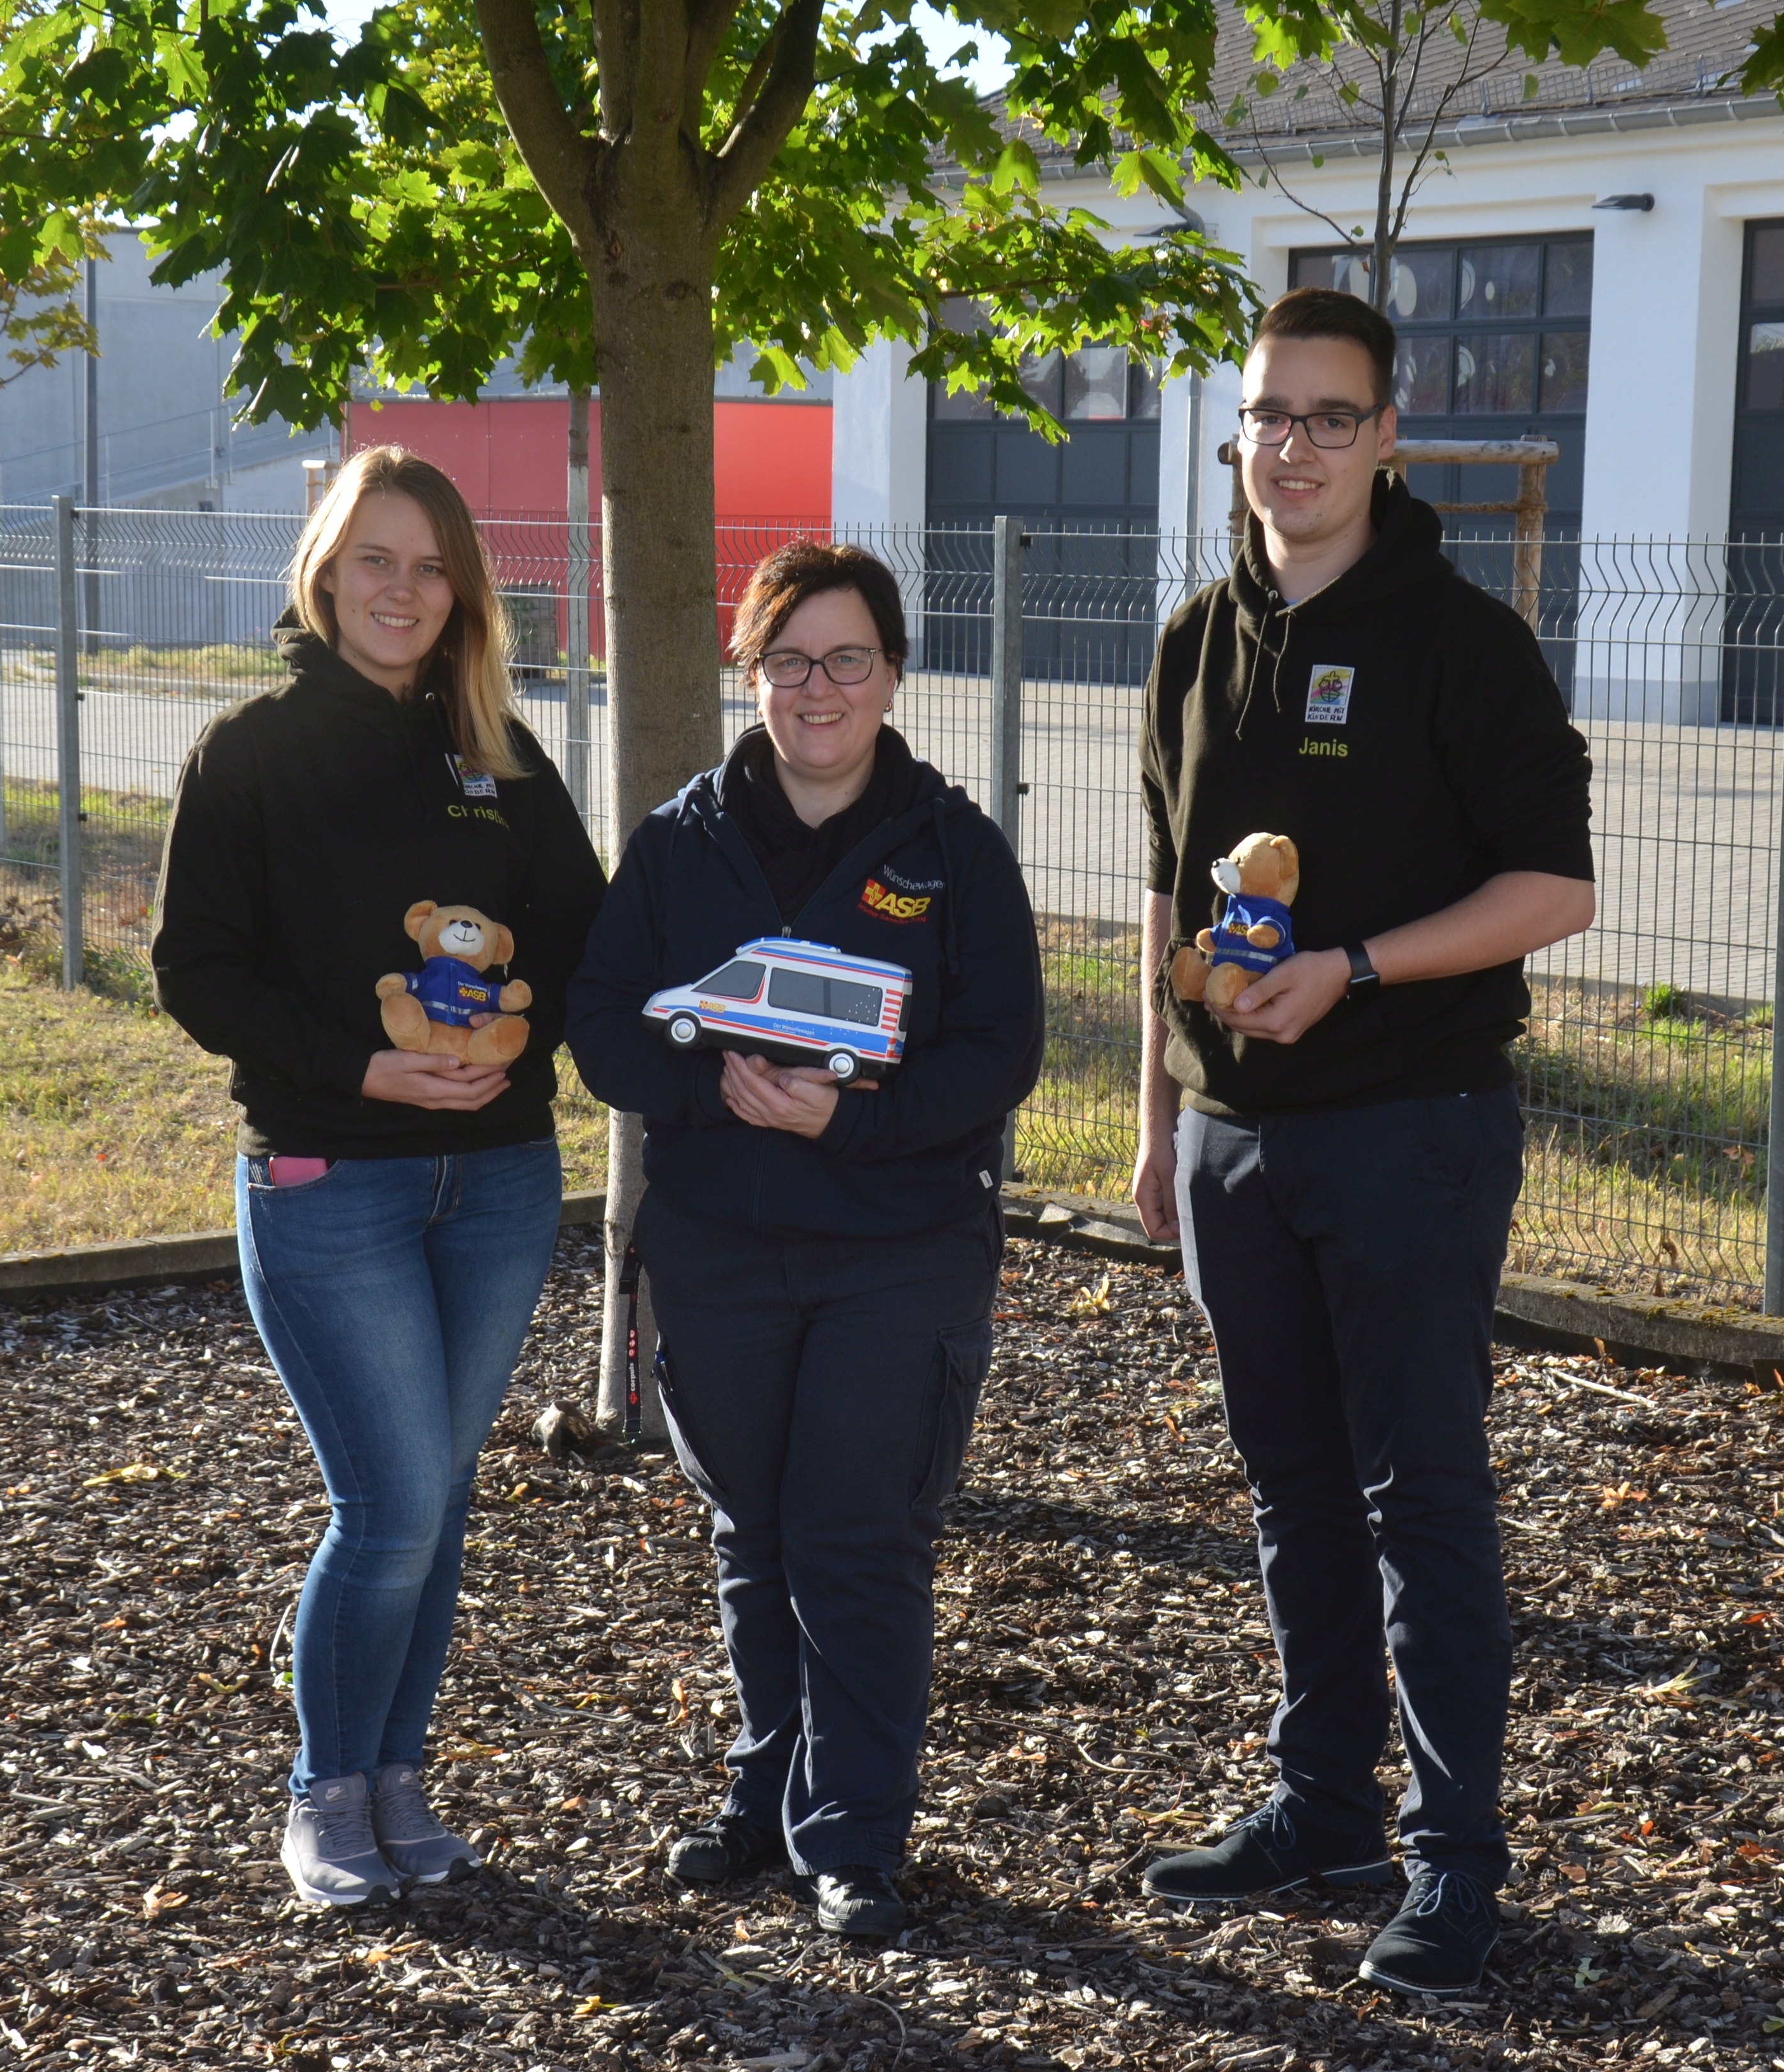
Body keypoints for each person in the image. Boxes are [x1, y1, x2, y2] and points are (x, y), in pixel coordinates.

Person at [1128, 288, 1596, 1995]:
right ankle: (1321, 1807)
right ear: (1238, 436)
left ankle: (1456, 1866)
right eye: (1270, 415)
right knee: (1293, 1495)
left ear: (1388, 438)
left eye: (1334, 417)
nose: (1297, 448)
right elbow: (1173, 898)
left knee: (1423, 1502)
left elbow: (1559, 889)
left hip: (1411, 1131)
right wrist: (1158, 1124)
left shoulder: (1463, 644)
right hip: (1235, 1151)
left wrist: (1357, 969)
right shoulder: (1193, 640)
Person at [567, 541, 1042, 1940]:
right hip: (718, 1249)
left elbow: (998, 1056)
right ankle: (763, 1800)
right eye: (786, 661)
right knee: (752, 1536)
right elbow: (602, 1022)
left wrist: (847, 1122)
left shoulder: (954, 851)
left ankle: (853, 1838)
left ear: (891, 673)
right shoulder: (678, 842)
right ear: (750, 673)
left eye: (845, 659)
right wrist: (702, 1082)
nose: (815, 688)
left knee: (857, 1539)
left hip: (897, 1252)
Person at [152, 445, 606, 1907]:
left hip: (497, 1181)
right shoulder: (250, 750)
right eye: (374, 560)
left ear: (464, 589)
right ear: (326, 572)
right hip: (327, 1175)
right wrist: (366, 1067)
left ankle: (397, 1779)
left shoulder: (505, 760)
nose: (401, 590)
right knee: (394, 1506)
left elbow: (587, 942)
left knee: (439, 1495)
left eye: (429, 565)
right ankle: (323, 1797)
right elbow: (195, 968)